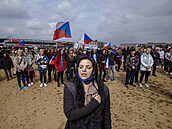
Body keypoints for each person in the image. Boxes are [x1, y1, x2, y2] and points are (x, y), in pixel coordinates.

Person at [63, 55, 111, 129]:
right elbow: (70, 114)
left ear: (93, 70)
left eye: (88, 67)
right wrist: (93, 105)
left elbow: (106, 114)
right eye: (81, 67)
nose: (84, 70)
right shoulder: (70, 86)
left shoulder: (103, 89)